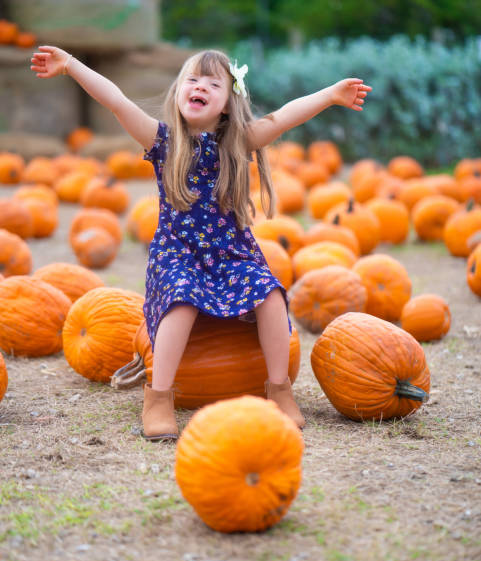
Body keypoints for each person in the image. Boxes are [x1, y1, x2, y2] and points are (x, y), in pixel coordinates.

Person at [31, 45, 371, 441]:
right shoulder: (162, 141)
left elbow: (283, 116)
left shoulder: (237, 142)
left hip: (231, 254)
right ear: (178, 92)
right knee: (182, 299)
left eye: (214, 83)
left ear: (228, 103)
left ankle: (278, 388)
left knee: (271, 295)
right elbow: (117, 101)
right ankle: (158, 396)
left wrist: (329, 95)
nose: (200, 87)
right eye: (192, 80)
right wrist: (71, 66)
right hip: (177, 255)